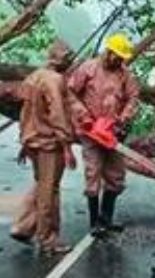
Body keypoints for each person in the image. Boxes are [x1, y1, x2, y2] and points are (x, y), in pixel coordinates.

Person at [10, 40, 79, 255]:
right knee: (50, 191)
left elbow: (25, 113)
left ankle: (23, 227)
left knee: (41, 185)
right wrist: (67, 147)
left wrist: (24, 141)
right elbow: (58, 116)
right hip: (49, 144)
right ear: (64, 60)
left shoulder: (34, 77)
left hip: (32, 141)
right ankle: (47, 239)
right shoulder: (55, 81)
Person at [68, 33, 140, 235]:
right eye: (116, 56)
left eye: (121, 58)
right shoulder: (88, 68)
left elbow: (133, 98)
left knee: (116, 175)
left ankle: (106, 218)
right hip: (90, 130)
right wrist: (83, 116)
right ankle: (94, 223)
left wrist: (123, 119)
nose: (118, 60)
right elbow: (70, 92)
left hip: (112, 131)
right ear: (108, 52)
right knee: (93, 172)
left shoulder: (125, 74)